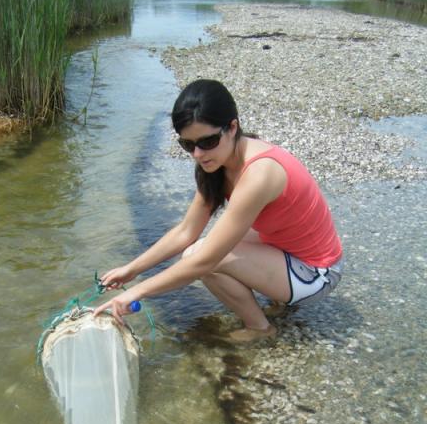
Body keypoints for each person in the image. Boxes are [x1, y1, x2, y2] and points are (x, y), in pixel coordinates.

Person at [93, 79, 344, 341]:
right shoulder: (218, 162)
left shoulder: (259, 173)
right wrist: (131, 270)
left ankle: (260, 329)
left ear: (232, 127)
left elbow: (206, 261)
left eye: (207, 141)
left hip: (319, 273)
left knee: (204, 257)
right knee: (200, 248)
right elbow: (185, 231)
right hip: (286, 249)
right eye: (188, 145)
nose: (198, 154)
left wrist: (137, 292)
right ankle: (278, 304)